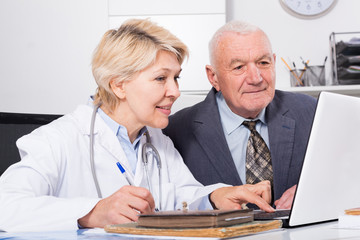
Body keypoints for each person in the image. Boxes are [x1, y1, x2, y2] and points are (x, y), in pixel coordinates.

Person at [0, 19, 274, 232]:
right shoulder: (58, 139)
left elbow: (182, 194)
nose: (175, 91)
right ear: (118, 85)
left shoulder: (156, 140)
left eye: (176, 78)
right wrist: (90, 213)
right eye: (160, 79)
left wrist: (217, 196)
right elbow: (6, 205)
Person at [163, 20, 317, 210]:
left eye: (263, 63)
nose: (255, 78)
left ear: (274, 63)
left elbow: (349, 173)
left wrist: (317, 190)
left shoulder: (311, 113)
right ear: (213, 77)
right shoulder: (175, 131)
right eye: (238, 67)